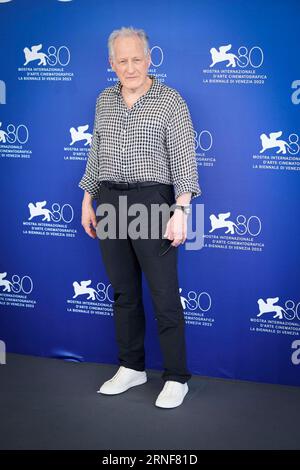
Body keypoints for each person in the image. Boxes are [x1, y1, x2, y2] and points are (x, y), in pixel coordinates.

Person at [79, 26, 201, 408]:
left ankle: (177, 376)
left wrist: (180, 211)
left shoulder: (170, 101)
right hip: (111, 199)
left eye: (137, 59)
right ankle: (131, 367)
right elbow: (96, 153)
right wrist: (87, 199)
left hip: (154, 201)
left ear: (149, 60)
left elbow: (184, 161)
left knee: (164, 294)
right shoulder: (103, 100)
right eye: (122, 60)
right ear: (111, 63)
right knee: (123, 292)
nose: (130, 67)